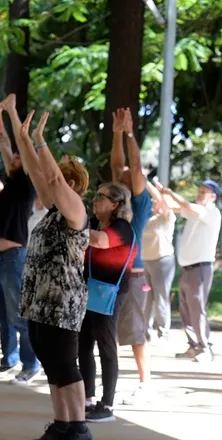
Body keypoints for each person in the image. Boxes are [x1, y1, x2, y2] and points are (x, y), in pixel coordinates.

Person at [0, 102, 90, 440]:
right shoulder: (52, 210)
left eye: (61, 177)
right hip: (41, 297)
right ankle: (62, 423)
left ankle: (78, 426)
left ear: (72, 183)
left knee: (65, 362)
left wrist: (41, 141)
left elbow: (51, 177)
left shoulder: (75, 210)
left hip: (63, 300)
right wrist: (23, 136)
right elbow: (38, 173)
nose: (51, 181)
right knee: (50, 361)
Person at [0, 97, 40, 385]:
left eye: (18, 158)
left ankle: (31, 365)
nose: (12, 159)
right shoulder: (10, 183)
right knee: (3, 315)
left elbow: (20, 142)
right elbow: (3, 141)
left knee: (20, 315)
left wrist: (11, 111)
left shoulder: (27, 182)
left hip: (13, 256)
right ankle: (9, 360)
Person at [79, 182, 136, 423]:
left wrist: (74, 226)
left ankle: (107, 404)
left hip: (110, 292)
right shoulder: (93, 223)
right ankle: (87, 398)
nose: (95, 199)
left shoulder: (122, 227)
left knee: (106, 345)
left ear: (116, 204)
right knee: (83, 343)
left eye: (101, 197)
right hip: (89, 288)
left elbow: (101, 241)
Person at [110, 107, 154, 402]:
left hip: (133, 277)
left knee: (135, 333)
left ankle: (145, 383)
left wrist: (128, 133)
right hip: (111, 275)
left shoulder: (140, 202)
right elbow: (118, 165)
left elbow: (134, 166)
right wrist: (116, 133)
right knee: (108, 332)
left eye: (127, 175)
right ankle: (109, 382)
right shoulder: (119, 198)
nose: (123, 172)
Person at [163, 179, 222, 363]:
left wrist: (170, 193)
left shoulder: (211, 212)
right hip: (187, 268)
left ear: (213, 197)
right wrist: (158, 191)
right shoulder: (196, 213)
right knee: (186, 310)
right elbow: (173, 207)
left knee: (197, 309)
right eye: (199, 191)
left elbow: (185, 205)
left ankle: (205, 348)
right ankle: (193, 346)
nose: (199, 194)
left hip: (200, 268)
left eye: (203, 192)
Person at [142, 182, 176, 342]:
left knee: (161, 298)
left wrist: (144, 181)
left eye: (156, 201)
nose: (154, 203)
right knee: (146, 299)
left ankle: (163, 332)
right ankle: (145, 332)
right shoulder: (147, 219)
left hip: (162, 262)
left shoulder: (167, 218)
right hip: (145, 262)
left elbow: (161, 200)